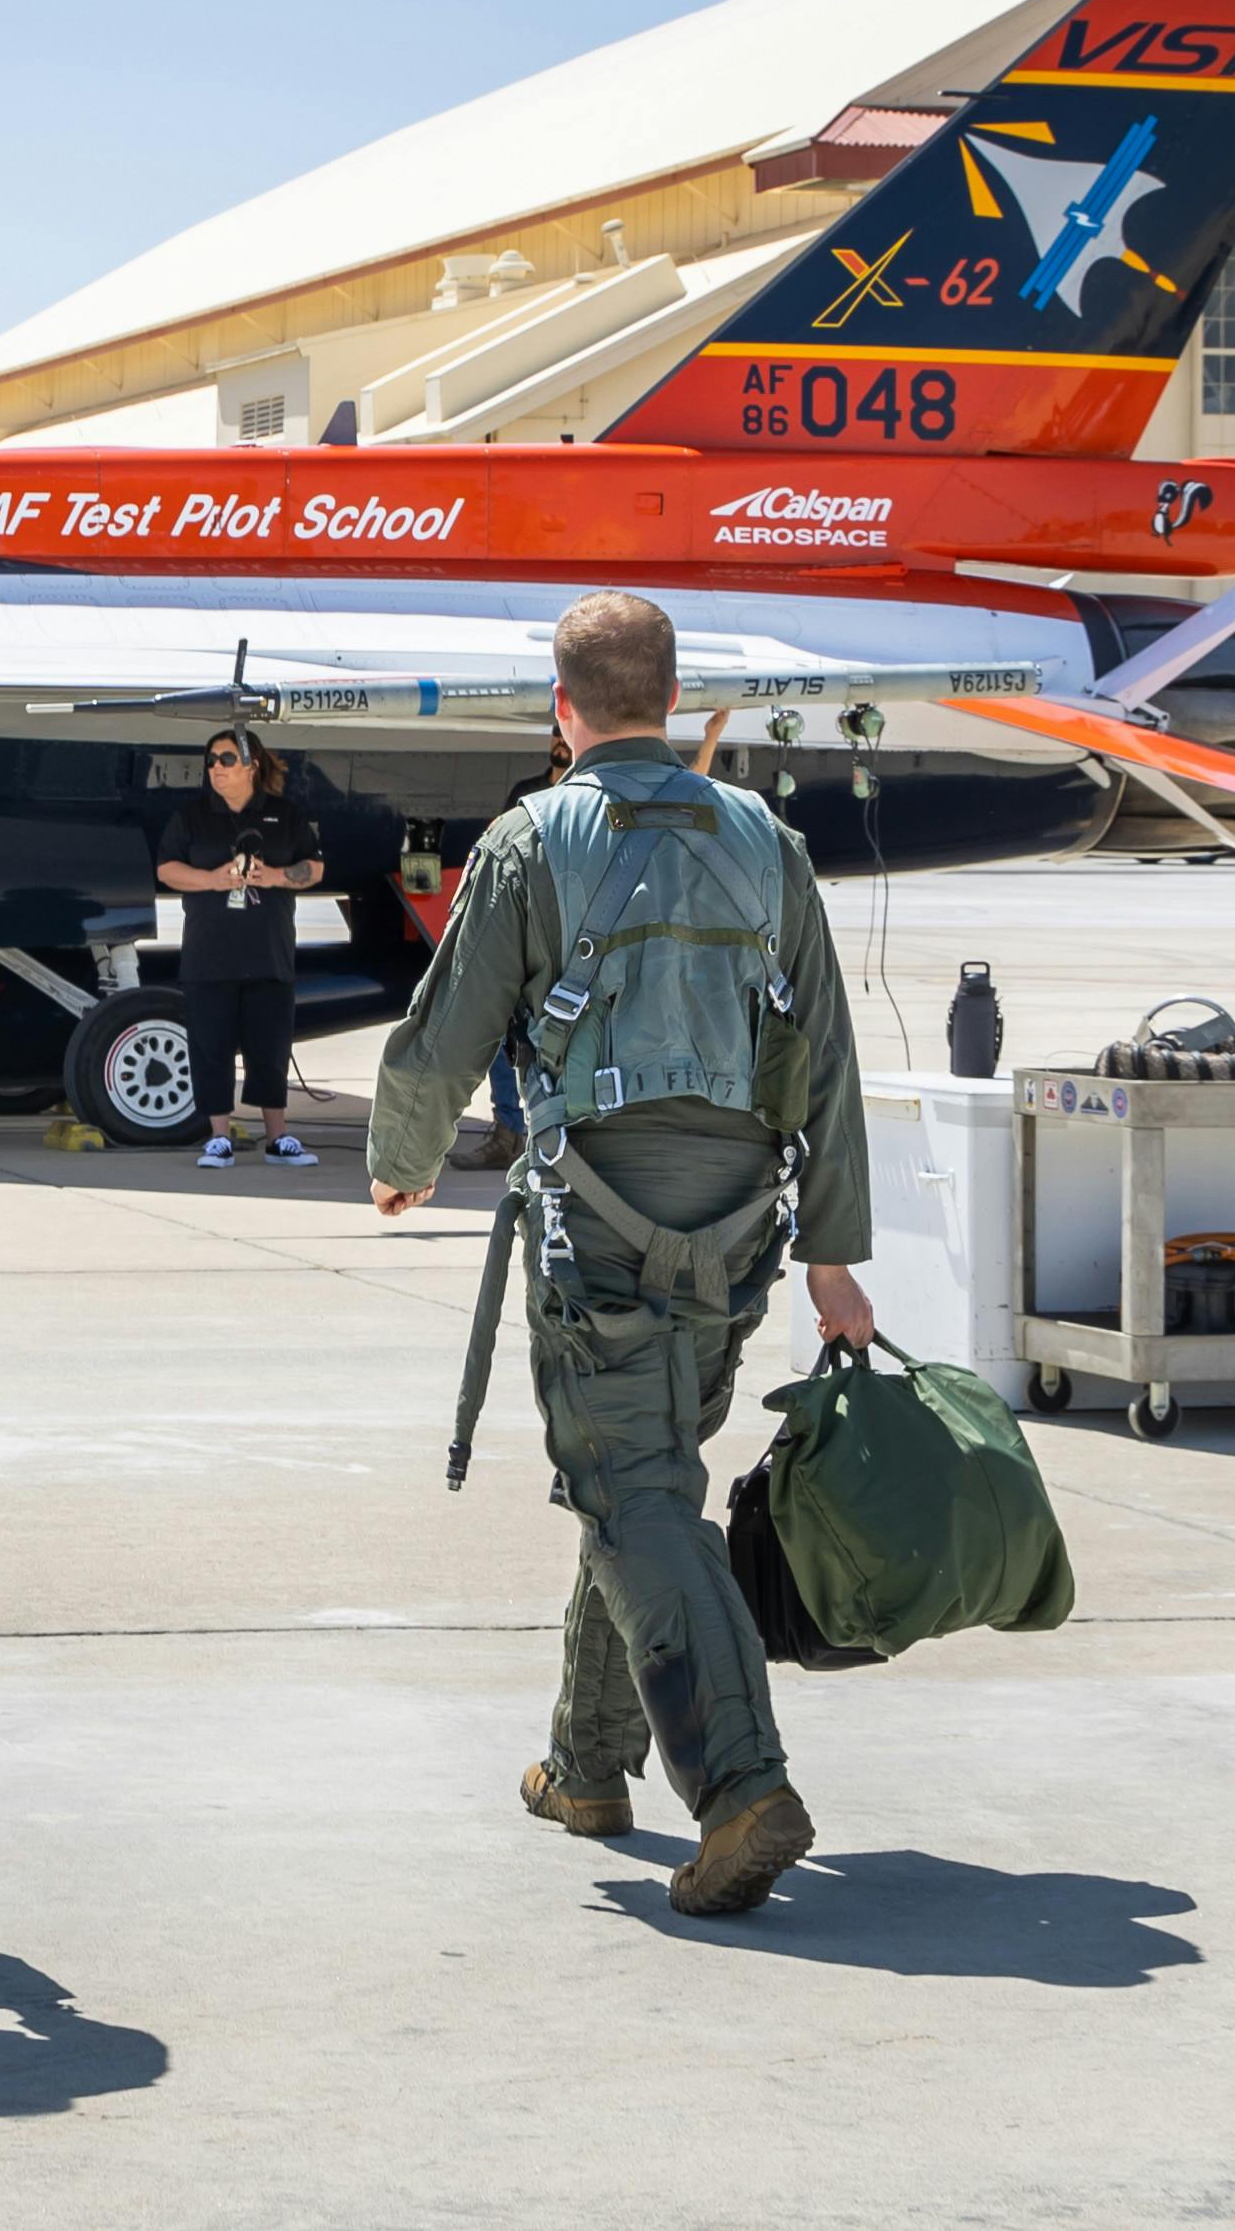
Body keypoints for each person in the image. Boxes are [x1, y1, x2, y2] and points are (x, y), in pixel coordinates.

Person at [365, 590, 879, 1921]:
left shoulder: (532, 840)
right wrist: (832, 1253)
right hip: (738, 1225)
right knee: (643, 1477)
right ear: (671, 694)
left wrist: (404, 1153)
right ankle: (590, 1767)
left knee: (629, 1491)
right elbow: (826, 1056)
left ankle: (742, 1785)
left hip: (598, 1218)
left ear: (563, 707)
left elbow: (446, 1025)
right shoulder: (769, 839)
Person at [155, 726, 324, 1167]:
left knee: (269, 1048)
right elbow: (168, 869)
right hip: (210, 956)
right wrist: (213, 880)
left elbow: (315, 866)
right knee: (211, 1047)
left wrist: (277, 877)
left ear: (251, 765)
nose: (216, 768)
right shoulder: (192, 815)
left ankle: (279, 1136)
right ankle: (217, 1135)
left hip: (268, 954)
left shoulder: (285, 814)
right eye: (210, 760)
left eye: (226, 760)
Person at [447, 741, 568, 1173]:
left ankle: (551, 1137)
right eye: (555, 734)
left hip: (570, 938)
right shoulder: (528, 794)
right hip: (528, 927)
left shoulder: (589, 798)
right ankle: (507, 1131)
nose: (560, 743)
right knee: (504, 1035)